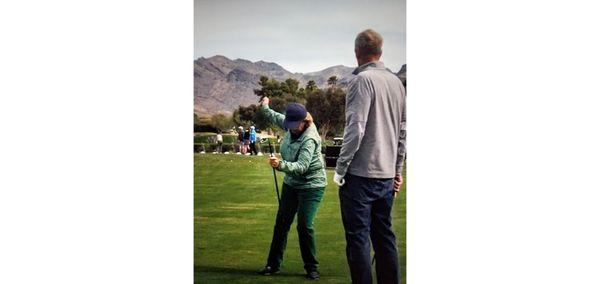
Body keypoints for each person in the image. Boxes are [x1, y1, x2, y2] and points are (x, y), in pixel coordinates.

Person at [333, 29, 407, 284]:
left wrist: (340, 168)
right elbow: (403, 132)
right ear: (381, 52)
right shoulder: (397, 83)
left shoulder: (361, 81)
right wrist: (398, 171)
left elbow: (356, 128)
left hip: (360, 177)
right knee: (385, 238)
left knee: (358, 241)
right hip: (386, 176)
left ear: (357, 53)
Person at [257, 97, 327, 280]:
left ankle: (311, 267)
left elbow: (302, 167)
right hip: (291, 184)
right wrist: (265, 103)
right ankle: (273, 264)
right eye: (290, 124)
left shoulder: (310, 139)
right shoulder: (290, 123)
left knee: (304, 225)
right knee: (281, 223)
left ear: (305, 122)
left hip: (312, 185)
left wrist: (280, 165)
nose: (292, 128)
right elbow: (271, 115)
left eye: (296, 125)